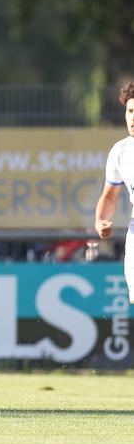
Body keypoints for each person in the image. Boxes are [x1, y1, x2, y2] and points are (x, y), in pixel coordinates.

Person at [95, 81, 134, 304]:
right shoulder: (121, 152)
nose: (132, 117)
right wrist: (101, 220)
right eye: (130, 111)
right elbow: (109, 196)